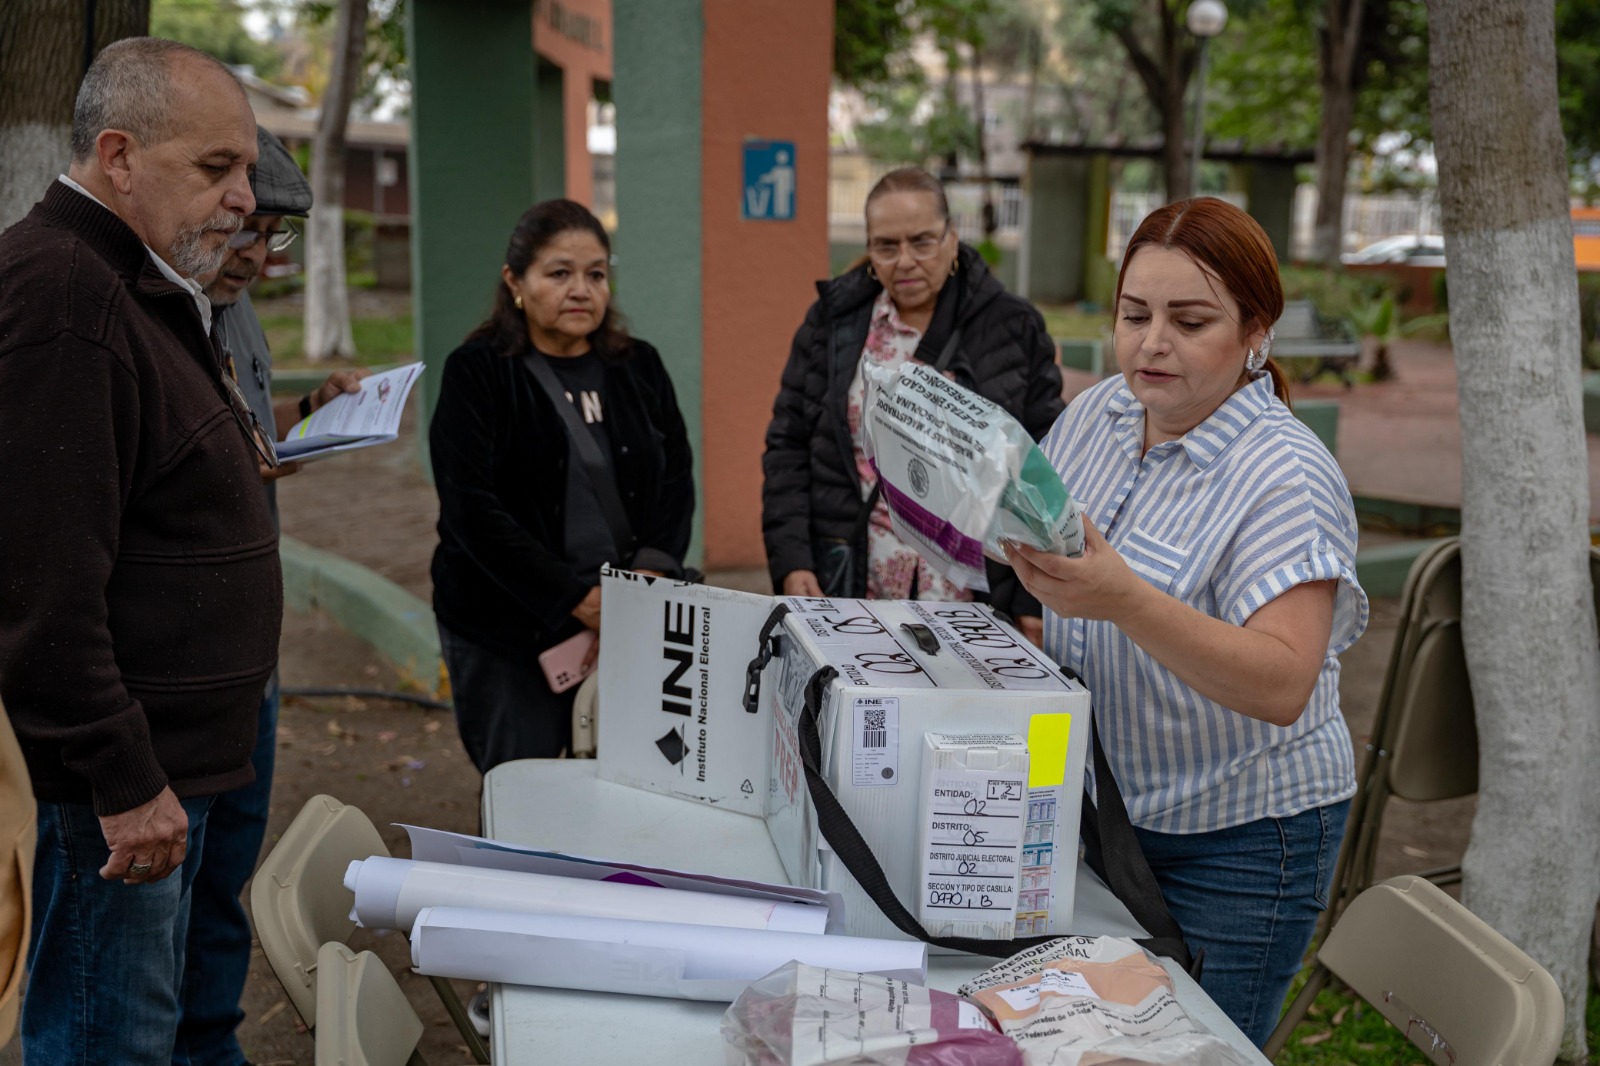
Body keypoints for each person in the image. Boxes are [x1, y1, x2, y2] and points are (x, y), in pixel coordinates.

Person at [1005, 197, 1368, 1046]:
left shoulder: (1285, 475)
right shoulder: (1098, 415)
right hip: (1111, 807)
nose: (1151, 343)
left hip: (1241, 839)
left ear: (1256, 332)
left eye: (1189, 319)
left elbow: (1282, 681)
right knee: (1101, 1042)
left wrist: (1120, 598)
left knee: (1193, 1051)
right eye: (1135, 314)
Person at [0, 37, 283, 1065]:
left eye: (245, 169)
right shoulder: (64, 299)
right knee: (104, 1042)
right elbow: (39, 589)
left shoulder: (137, 283)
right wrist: (121, 779)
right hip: (125, 791)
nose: (246, 199)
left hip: (177, 765)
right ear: (118, 155)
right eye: (218, 169)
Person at [175, 124, 363, 1066]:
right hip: (174, 671)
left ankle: (210, 1044)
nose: (254, 255)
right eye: (245, 231)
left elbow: (249, 448)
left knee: (225, 878)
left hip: (254, 655)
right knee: (157, 894)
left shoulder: (235, 314)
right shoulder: (152, 317)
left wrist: (309, 418)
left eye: (274, 237)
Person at [430, 198, 695, 772]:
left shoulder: (638, 365)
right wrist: (576, 599)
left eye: (596, 274)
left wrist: (646, 580)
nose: (582, 289)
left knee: (629, 780)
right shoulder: (477, 372)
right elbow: (470, 511)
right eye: (559, 273)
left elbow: (676, 478)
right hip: (510, 633)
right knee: (521, 790)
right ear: (515, 282)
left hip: (631, 619)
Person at [762, 167, 1063, 642]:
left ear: (951, 239)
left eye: (922, 241)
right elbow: (789, 444)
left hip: (975, 595)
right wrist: (792, 557)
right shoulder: (835, 323)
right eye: (886, 245)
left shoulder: (1012, 326)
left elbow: (1048, 459)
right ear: (869, 249)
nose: (905, 261)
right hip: (853, 582)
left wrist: (1034, 598)